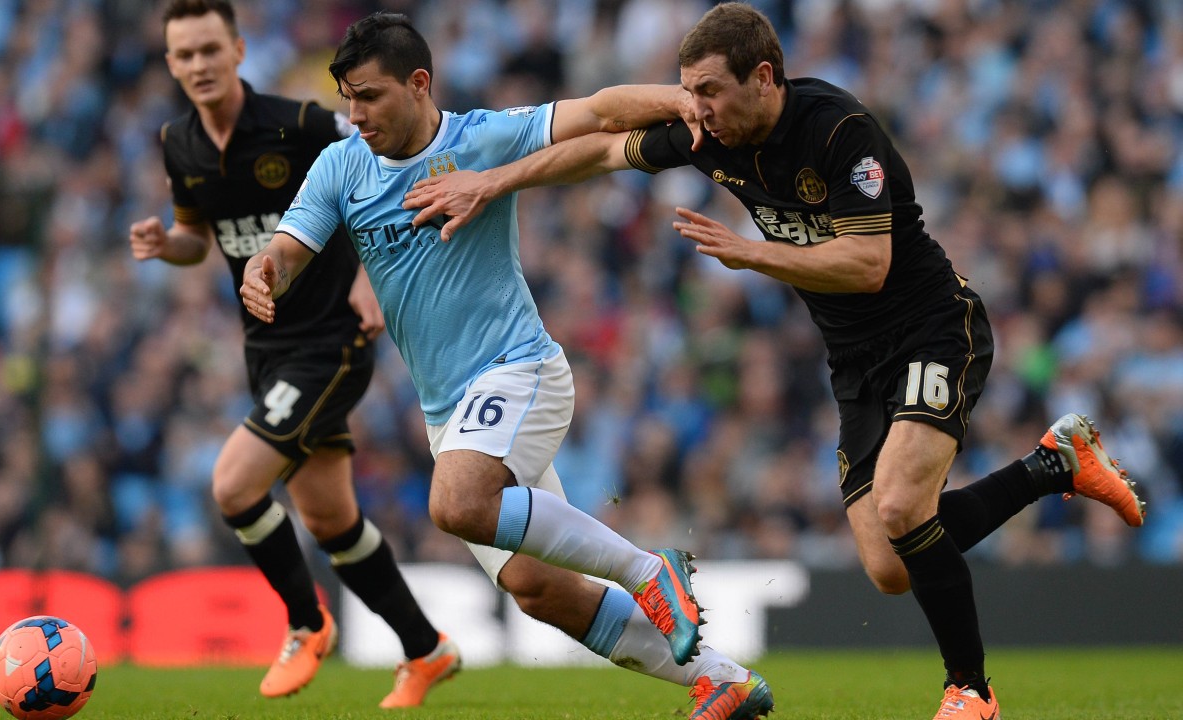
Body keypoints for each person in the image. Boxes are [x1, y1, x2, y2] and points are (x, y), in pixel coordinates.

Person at [401, 4, 1148, 719]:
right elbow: (601, 149)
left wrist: (754, 253)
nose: (696, 107)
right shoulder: (707, 135)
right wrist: (492, 181)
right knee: (892, 566)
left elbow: (869, 265)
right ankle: (1054, 466)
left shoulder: (837, 131)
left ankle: (972, 691)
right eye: (688, 91)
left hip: (932, 329)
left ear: (765, 77)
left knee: (898, 507)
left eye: (709, 91)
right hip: (854, 359)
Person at [239, 11, 774, 720]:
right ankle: (724, 679)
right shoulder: (342, 166)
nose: (355, 113)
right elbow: (287, 247)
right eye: (348, 98)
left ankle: (650, 571)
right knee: (536, 588)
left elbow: (600, 111)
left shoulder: (480, 139)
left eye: (369, 96)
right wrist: (262, 270)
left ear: (418, 83)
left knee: (455, 502)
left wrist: (677, 100)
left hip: (518, 374)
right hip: (449, 414)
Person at [128, 0, 459, 707]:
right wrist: (168, 246)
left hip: (330, 341)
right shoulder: (177, 143)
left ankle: (305, 623)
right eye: (184, 55)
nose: (198, 65)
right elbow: (198, 238)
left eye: (209, 50)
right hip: (267, 351)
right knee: (331, 520)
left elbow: (385, 172)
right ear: (170, 64)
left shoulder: (302, 124)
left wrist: (371, 275)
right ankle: (427, 649)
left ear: (239, 50)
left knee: (234, 486)